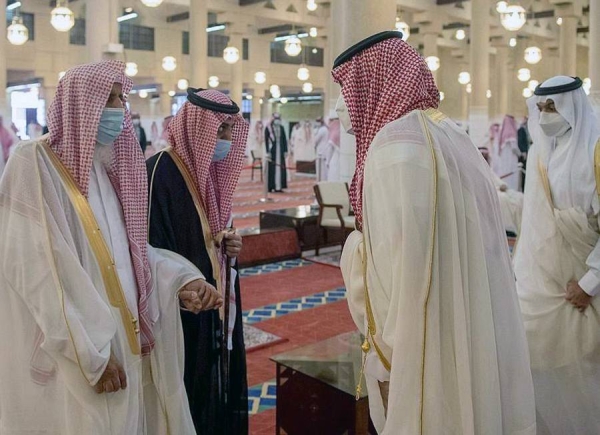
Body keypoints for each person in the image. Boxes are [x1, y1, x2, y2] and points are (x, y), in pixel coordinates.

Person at [0, 60, 223, 435]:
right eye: (110, 98)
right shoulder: (34, 163)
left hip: (124, 341)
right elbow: (33, 270)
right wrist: (89, 355)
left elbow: (128, 257)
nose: (120, 108)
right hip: (76, 353)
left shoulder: (106, 171)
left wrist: (182, 280)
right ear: (79, 105)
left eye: (121, 98)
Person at [334, 31, 536, 434]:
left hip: (424, 349)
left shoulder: (392, 151)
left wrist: (388, 365)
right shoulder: (449, 134)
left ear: (372, 84)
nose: (340, 105)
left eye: (345, 89)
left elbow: (400, 280)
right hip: (470, 326)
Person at [147, 88, 249, 434]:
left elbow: (216, 231)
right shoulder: (158, 172)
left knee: (215, 384)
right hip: (180, 312)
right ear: (197, 127)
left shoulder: (212, 173)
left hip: (215, 304)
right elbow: (148, 248)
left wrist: (230, 243)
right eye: (220, 130)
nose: (227, 139)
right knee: (186, 393)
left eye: (231, 130)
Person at [513, 76, 600, 434]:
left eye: (553, 107)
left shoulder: (595, 151)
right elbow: (533, 221)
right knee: (538, 361)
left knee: (585, 365)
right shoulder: (539, 153)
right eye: (541, 107)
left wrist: (589, 282)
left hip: (583, 283)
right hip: (541, 283)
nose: (546, 114)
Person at [480, 146, 524, 235]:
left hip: (498, 190)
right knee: (503, 199)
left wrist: (502, 186)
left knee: (519, 197)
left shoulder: (488, 169)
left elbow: (498, 182)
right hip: (488, 194)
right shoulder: (478, 170)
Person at [492, 115, 521, 191]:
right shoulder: (511, 133)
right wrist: (520, 154)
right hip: (511, 161)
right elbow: (514, 148)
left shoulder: (503, 135)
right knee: (512, 180)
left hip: (504, 163)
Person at [265, 113, 288, 192]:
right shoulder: (268, 128)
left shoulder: (281, 128)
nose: (277, 120)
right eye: (276, 119)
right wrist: (267, 152)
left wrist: (285, 151)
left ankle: (279, 187)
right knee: (271, 169)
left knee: (280, 168)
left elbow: (284, 140)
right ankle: (271, 186)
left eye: (278, 119)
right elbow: (266, 141)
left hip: (280, 151)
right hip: (272, 152)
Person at [326, 114, 341, 182]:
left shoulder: (333, 133)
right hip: (343, 161)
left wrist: (327, 162)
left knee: (333, 177)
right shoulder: (340, 131)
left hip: (334, 159)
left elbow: (330, 149)